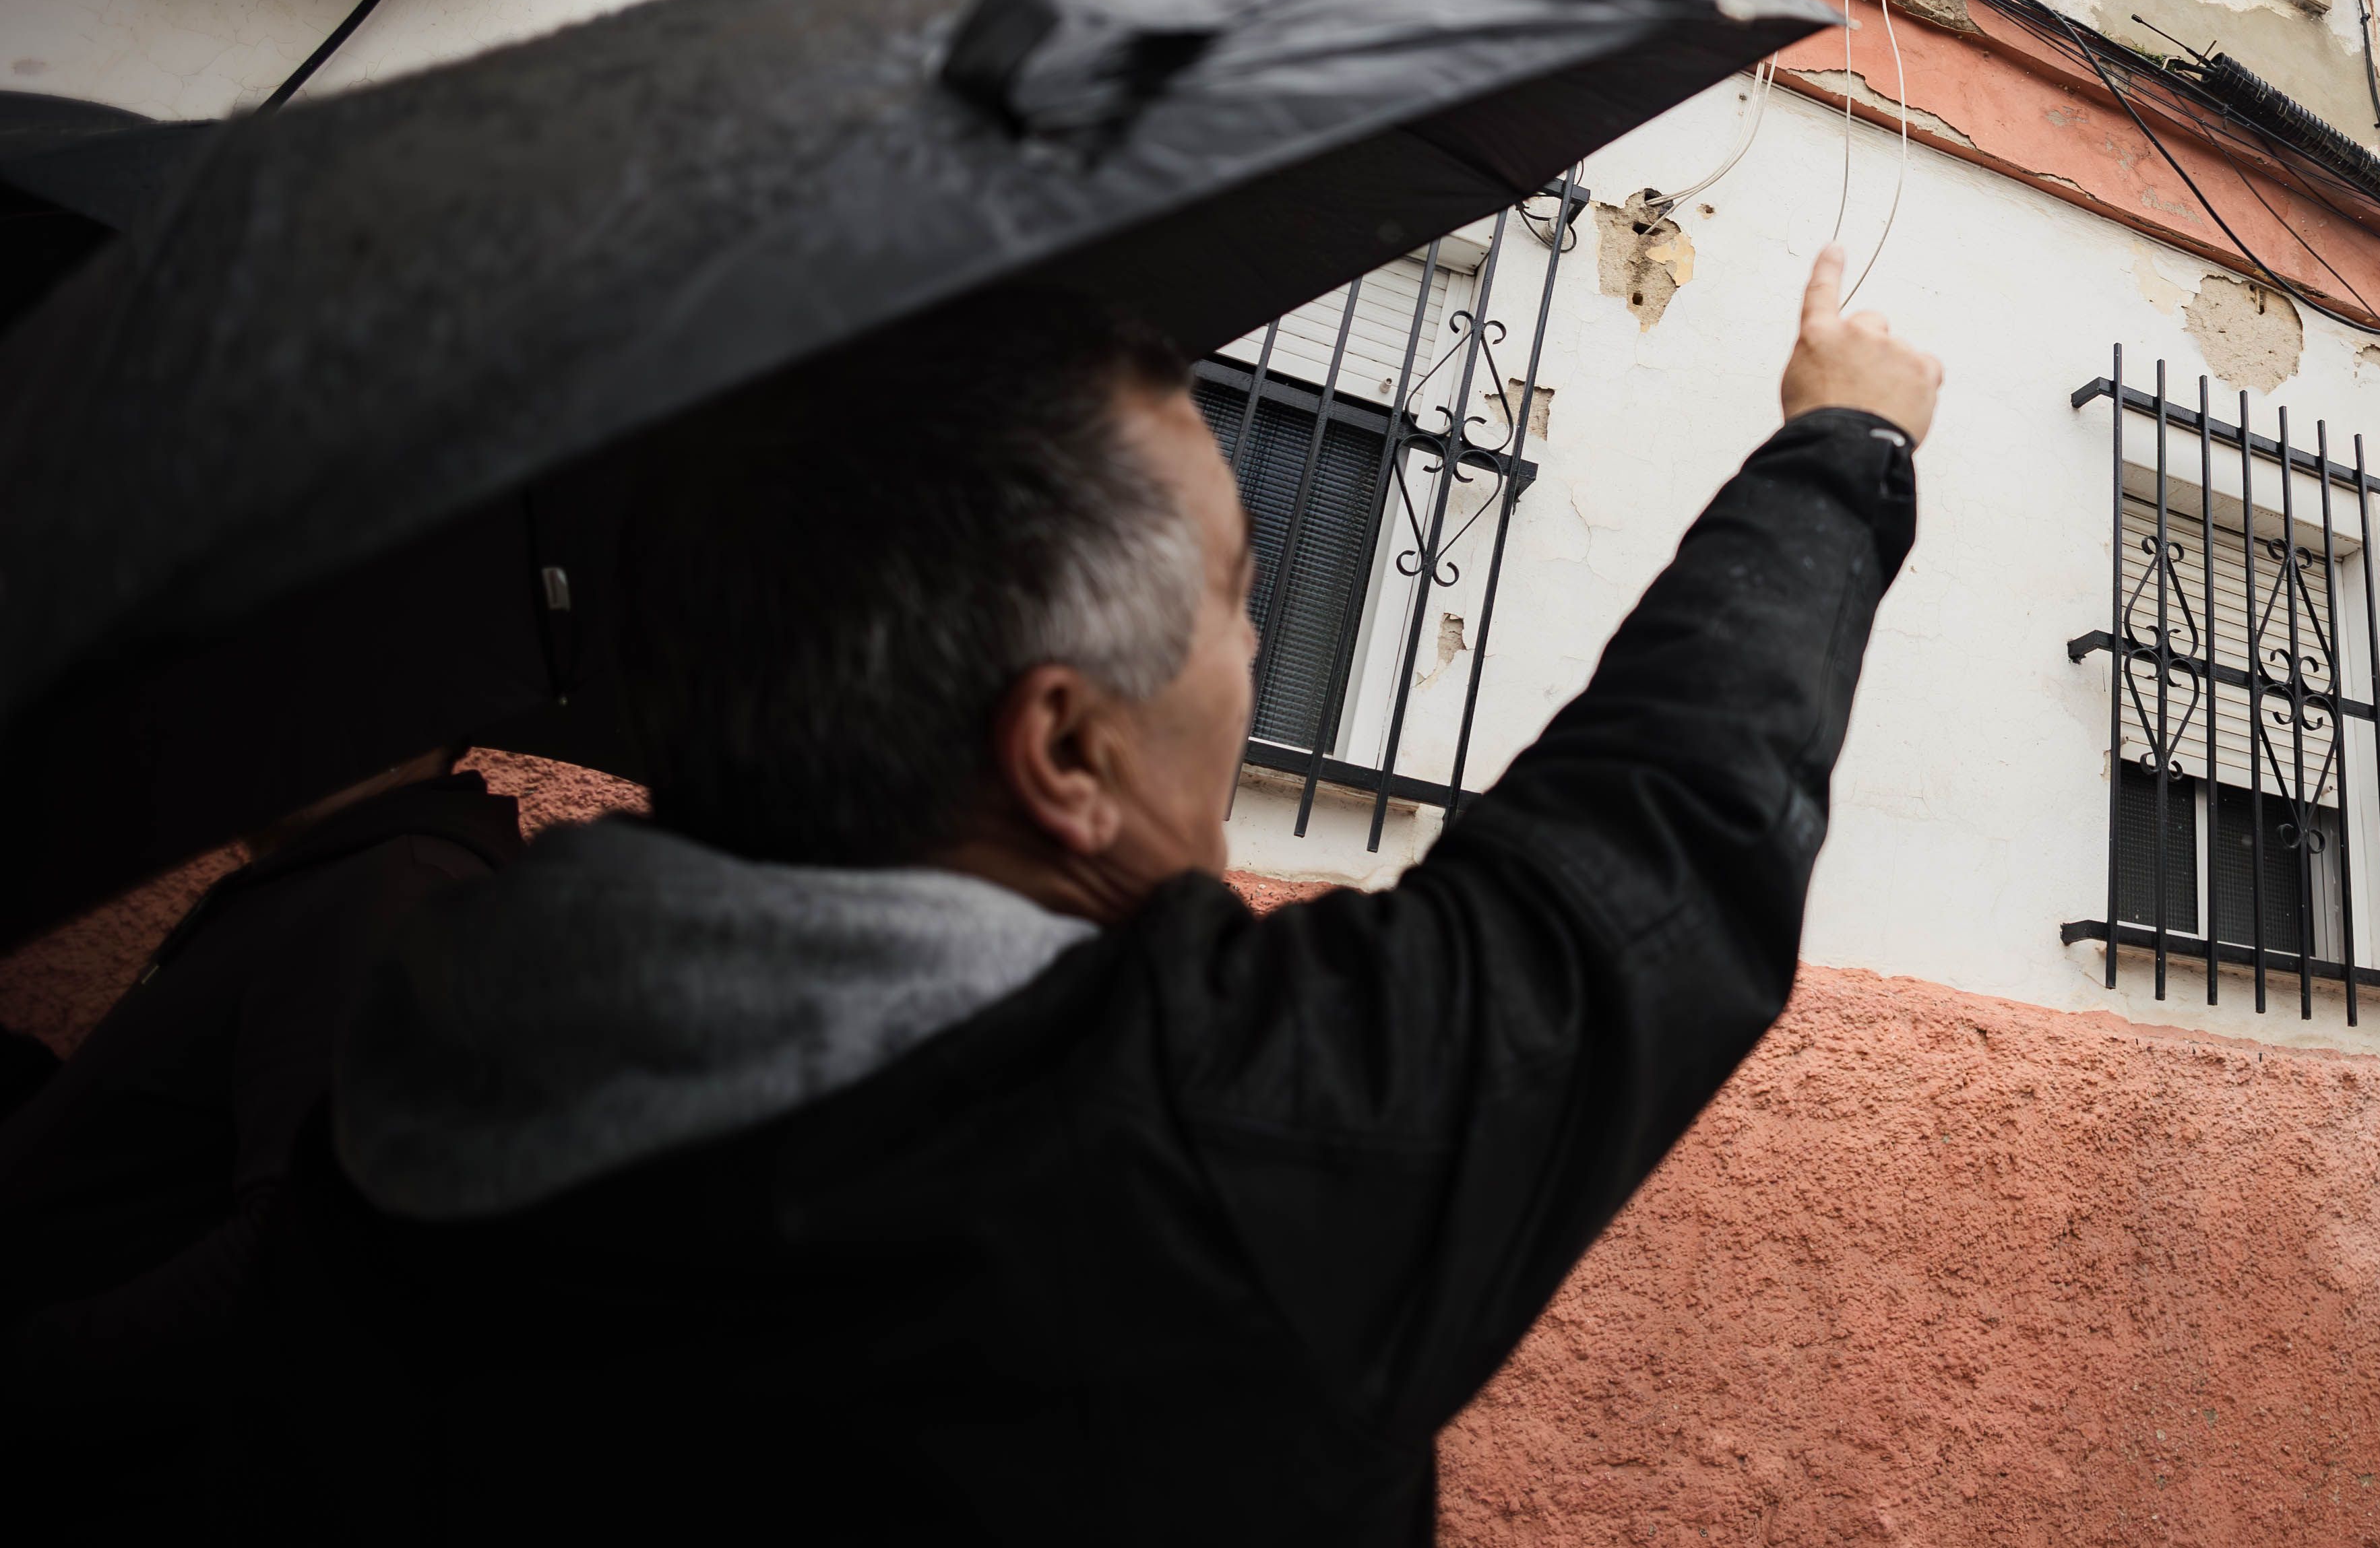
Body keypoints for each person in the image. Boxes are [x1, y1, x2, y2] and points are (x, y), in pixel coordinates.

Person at [253, 244, 1941, 1541]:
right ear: (1060, 747)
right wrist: (1840, 445)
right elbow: (1648, 854)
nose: (1257, 648)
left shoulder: (377, 1127)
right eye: (1231, 592)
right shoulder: (1190, 1159)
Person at [0, 746, 520, 1451]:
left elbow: (294, 1256)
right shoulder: (341, 872)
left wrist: (27, 1365)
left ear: (430, 725)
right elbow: (167, 1149)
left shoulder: (392, 890)